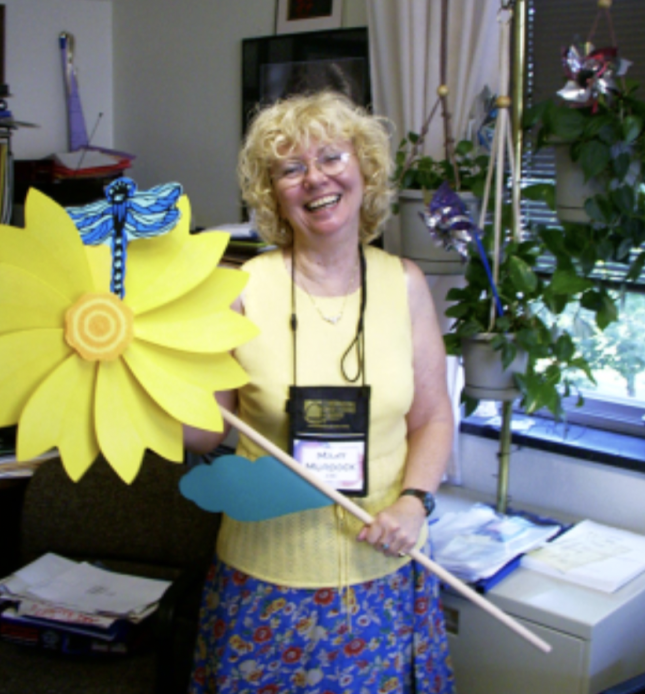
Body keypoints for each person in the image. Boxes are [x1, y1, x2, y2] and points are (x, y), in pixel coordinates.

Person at [186, 90, 456, 694]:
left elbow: (434, 418)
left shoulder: (405, 285)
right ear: (273, 192)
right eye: (291, 168)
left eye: (332, 157)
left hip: (383, 570)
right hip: (263, 578)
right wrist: (144, 391)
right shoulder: (239, 289)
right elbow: (208, 430)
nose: (316, 179)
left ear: (364, 170)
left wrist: (415, 502)